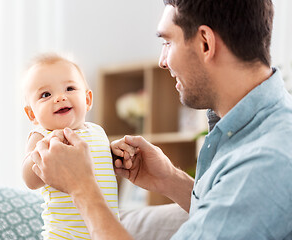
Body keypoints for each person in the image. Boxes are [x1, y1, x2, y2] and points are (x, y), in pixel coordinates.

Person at [30, 0, 292, 239]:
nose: (162, 61)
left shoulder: (266, 160)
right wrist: (169, 180)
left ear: (205, 43)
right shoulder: (256, 132)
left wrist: (82, 189)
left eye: (167, 42)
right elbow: (229, 211)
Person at [22, 53, 119, 240]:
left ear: (88, 99)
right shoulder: (42, 136)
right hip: (63, 236)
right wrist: (46, 148)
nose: (59, 98)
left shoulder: (98, 131)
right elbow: (29, 179)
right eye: (45, 94)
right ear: (32, 114)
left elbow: (101, 168)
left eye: (69, 88)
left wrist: (117, 155)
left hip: (104, 231)